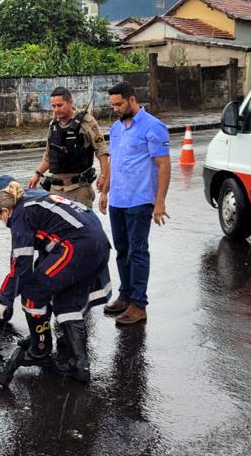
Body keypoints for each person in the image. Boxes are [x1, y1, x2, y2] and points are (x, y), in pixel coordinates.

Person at [0, 182, 111, 382]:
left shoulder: (20, 214)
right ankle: (81, 365)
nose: (1, 222)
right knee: (66, 302)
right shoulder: (32, 198)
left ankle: (40, 349)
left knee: (32, 294)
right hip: (96, 243)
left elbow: (20, 265)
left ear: (5, 210)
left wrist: (5, 299)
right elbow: (44, 248)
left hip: (77, 246)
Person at [99, 81, 171, 326]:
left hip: (140, 200)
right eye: (112, 105)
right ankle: (126, 295)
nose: (115, 109)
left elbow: (163, 166)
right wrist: (105, 192)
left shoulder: (153, 127)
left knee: (137, 251)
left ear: (132, 99)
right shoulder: (117, 129)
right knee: (121, 251)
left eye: (119, 104)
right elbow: (113, 163)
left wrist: (159, 202)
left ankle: (139, 305)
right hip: (118, 200)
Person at [28, 87, 110, 208]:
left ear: (70, 102)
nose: (56, 109)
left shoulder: (86, 122)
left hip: (79, 189)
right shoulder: (53, 125)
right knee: (57, 226)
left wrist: (103, 176)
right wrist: (37, 174)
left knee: (82, 225)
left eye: (60, 105)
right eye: (53, 106)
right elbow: (48, 157)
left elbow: (102, 151)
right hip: (56, 190)